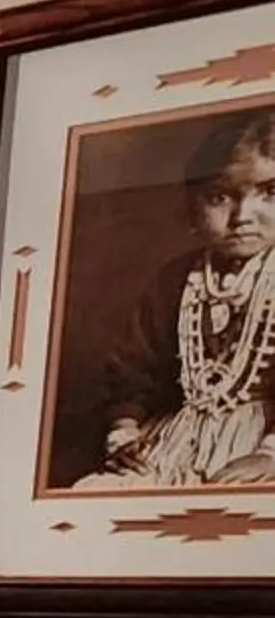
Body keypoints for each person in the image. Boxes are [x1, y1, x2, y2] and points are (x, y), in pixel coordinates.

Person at [86, 109, 275, 489]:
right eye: (220, 196)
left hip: (263, 441)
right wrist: (124, 434)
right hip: (175, 437)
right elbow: (133, 367)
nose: (241, 216)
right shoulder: (176, 281)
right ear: (192, 209)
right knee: (104, 492)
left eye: (271, 193)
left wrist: (269, 454)